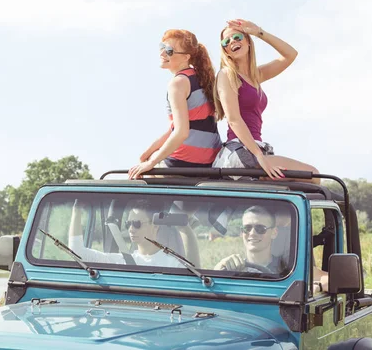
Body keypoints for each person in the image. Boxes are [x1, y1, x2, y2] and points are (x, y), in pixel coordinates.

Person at [211, 19, 319, 184]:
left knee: (302, 184)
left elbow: (290, 55)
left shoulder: (256, 76)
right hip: (240, 152)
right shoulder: (227, 74)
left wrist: (259, 32)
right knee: (312, 175)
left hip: (255, 150)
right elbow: (233, 119)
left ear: (248, 42)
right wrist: (259, 156)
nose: (232, 41)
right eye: (226, 41)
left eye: (237, 37)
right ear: (225, 51)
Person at [128, 29, 222, 180]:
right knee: (145, 158)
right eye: (162, 47)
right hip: (210, 162)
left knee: (141, 178)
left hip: (184, 162)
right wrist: (147, 154)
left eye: (169, 51)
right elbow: (180, 128)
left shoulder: (178, 83)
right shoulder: (203, 79)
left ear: (186, 57)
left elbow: (181, 132)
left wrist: (151, 162)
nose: (163, 53)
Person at [68, 199, 199, 268]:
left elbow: (196, 278)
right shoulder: (121, 261)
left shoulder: (173, 264)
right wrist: (76, 210)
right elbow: (77, 252)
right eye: (128, 223)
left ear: (155, 226)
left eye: (137, 223)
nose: (131, 229)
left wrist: (186, 228)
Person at [214, 205, 287, 274]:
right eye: (247, 228)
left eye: (260, 228)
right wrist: (218, 270)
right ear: (241, 232)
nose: (252, 233)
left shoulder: (287, 270)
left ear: (274, 233)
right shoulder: (232, 268)